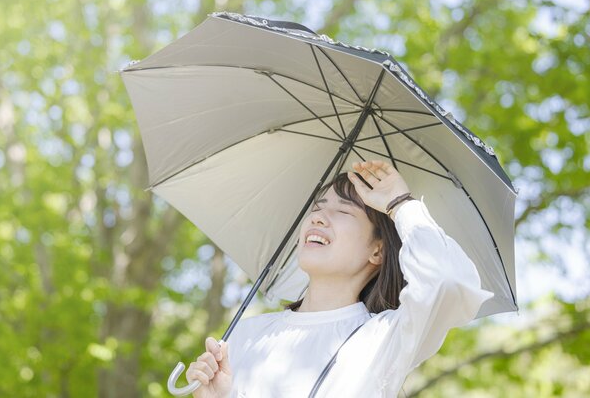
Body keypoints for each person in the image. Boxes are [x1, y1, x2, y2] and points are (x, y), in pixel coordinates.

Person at [185, 159, 494, 397]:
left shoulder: (383, 338)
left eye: (343, 212)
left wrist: (400, 205)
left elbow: (447, 281)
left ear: (378, 251)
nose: (318, 217)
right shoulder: (247, 334)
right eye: (318, 207)